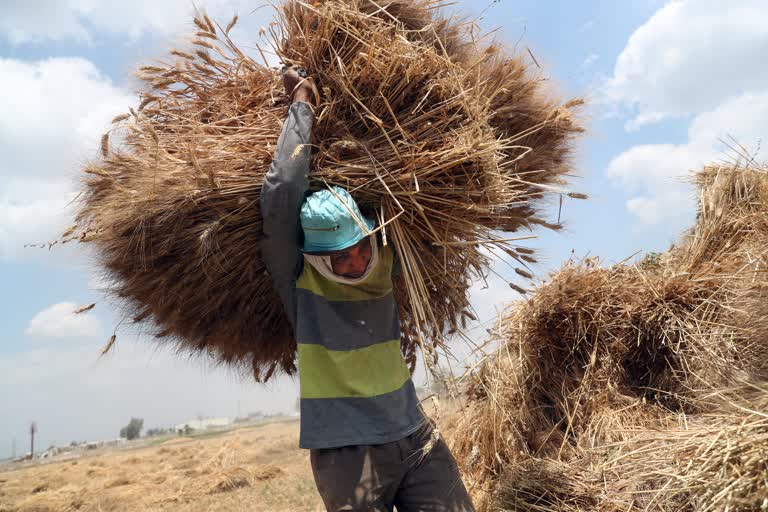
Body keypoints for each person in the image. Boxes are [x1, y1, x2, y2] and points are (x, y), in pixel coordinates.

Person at [260, 64, 475, 512]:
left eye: (358, 246)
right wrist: (302, 104)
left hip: (413, 431)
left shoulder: (390, 255)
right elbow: (282, 191)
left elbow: (420, 183)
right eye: (340, 255)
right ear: (316, 255)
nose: (355, 261)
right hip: (345, 449)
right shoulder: (299, 278)